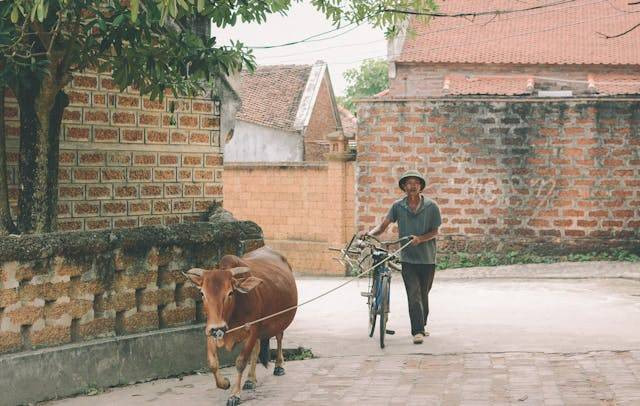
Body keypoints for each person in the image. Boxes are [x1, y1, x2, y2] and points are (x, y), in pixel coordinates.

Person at [366, 169, 441, 344]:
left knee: (423, 295)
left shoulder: (431, 207)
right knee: (413, 294)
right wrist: (369, 234)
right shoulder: (398, 206)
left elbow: (435, 231)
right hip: (408, 259)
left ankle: (421, 324)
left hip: (428, 259)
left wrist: (420, 239)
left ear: (421, 186)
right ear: (404, 187)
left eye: (416, 183)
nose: (412, 186)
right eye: (409, 183)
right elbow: (383, 226)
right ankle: (417, 331)